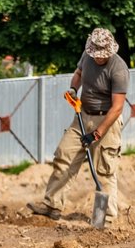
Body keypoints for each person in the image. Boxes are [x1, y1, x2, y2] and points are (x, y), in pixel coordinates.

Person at [28, 28, 129, 222]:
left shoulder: (119, 69)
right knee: (64, 155)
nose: (98, 58)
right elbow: (79, 73)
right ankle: (52, 205)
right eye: (95, 54)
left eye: (102, 55)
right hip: (82, 115)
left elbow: (117, 108)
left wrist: (97, 134)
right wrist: (74, 89)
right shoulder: (87, 55)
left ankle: (105, 218)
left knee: (103, 170)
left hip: (107, 120)